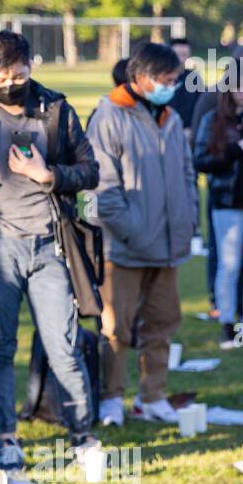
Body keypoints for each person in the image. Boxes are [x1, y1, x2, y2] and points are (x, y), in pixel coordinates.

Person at [0, 30, 100, 469]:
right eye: (1, 77)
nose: (11, 84)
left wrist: (48, 176)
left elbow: (89, 171)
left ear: (31, 67)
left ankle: (83, 435)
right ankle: (7, 437)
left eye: (18, 75)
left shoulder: (56, 110)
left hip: (51, 244)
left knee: (64, 345)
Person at [87, 41, 197, 426]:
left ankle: (152, 396)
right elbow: (103, 187)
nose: (172, 86)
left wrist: (188, 220)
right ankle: (111, 398)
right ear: (141, 77)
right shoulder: (108, 116)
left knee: (162, 324)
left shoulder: (171, 118)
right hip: (125, 247)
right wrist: (133, 232)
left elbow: (187, 174)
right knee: (116, 328)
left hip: (167, 246)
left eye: (175, 79)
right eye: (166, 79)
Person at [194, 64, 243, 349]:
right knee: (229, 265)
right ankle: (227, 323)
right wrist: (235, 150)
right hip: (226, 201)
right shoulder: (213, 120)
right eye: (239, 86)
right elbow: (201, 161)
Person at [166, 35, 202, 136]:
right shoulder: (160, 78)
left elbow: (199, 106)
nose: (181, 59)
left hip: (187, 133)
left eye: (185, 55)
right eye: (178, 55)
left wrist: (192, 129)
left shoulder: (194, 78)